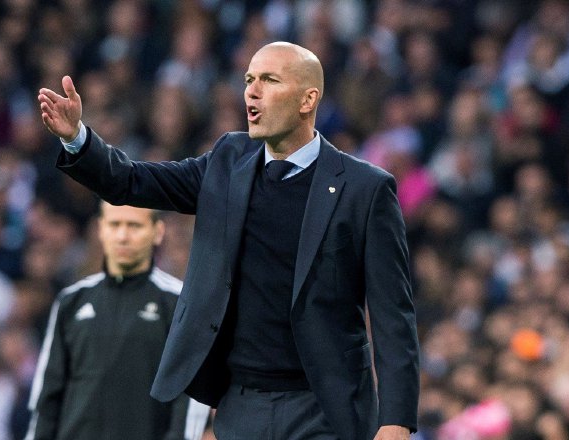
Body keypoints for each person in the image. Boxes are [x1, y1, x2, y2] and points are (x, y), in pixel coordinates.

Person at [38, 41, 419, 440]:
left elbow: (394, 315)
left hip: (325, 407)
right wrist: (77, 139)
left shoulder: (364, 189)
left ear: (309, 100)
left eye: (269, 80)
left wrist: (396, 421)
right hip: (241, 405)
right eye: (248, 80)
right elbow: (132, 181)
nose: (251, 92)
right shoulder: (228, 159)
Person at [25, 203, 209, 440]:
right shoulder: (71, 301)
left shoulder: (179, 303)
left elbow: (189, 398)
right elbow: (47, 396)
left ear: (157, 231)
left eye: (134, 225)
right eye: (115, 225)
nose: (123, 236)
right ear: (101, 230)